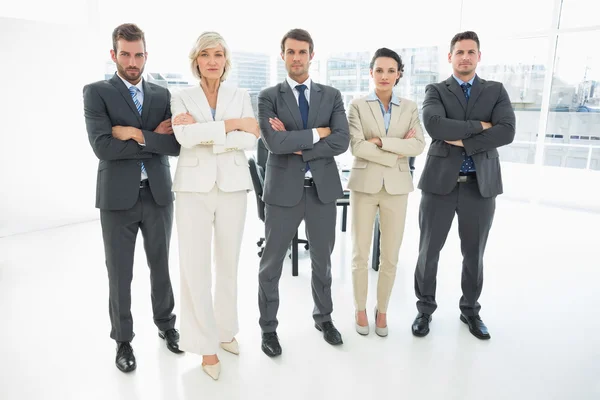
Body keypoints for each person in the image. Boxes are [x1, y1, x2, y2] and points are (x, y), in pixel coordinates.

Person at [83, 23, 182, 373]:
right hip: (116, 199)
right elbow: (102, 147)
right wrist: (150, 138)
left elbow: (173, 145)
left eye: (138, 54)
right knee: (120, 273)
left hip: (157, 194)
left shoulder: (161, 93)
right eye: (125, 54)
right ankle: (123, 340)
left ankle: (167, 326)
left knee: (161, 265)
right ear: (114, 54)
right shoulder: (96, 92)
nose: (132, 61)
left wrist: (133, 133)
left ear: (146, 54)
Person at [412, 31, 515, 340]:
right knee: (428, 252)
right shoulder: (436, 90)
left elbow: (507, 131)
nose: (465, 57)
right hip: (439, 186)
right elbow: (434, 125)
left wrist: (461, 139)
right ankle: (424, 310)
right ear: (450, 57)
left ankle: (470, 310)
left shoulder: (496, 91)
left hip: (479, 186)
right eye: (459, 52)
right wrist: (481, 128)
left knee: (474, 253)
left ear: (479, 56)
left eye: (471, 51)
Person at [170, 31, 259, 380]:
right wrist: (232, 126)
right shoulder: (181, 95)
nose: (212, 60)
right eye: (205, 54)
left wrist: (210, 132)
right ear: (196, 59)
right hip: (192, 188)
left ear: (226, 60)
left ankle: (225, 331)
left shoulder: (241, 94)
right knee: (194, 267)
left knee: (229, 264)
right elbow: (184, 137)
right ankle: (205, 345)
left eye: (218, 54)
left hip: (233, 186)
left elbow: (251, 138)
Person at [257, 28, 350, 357]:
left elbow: (341, 140)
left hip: (322, 190)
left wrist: (300, 145)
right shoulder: (269, 96)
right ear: (282, 55)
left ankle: (324, 318)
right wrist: (317, 134)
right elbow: (274, 142)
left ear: (312, 55)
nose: (296, 58)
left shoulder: (332, 95)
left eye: (302, 52)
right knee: (271, 265)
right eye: (290, 52)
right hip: (283, 191)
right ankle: (268, 328)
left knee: (323, 262)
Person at [347, 48, 425, 337]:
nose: (384, 76)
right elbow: (356, 146)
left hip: (397, 189)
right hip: (364, 186)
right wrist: (395, 150)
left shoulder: (410, 107)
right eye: (379, 70)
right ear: (371, 73)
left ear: (399, 74)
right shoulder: (357, 106)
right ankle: (360, 308)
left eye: (390, 70)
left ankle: (382, 310)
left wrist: (379, 141)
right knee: (360, 253)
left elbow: (418, 145)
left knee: (390, 255)